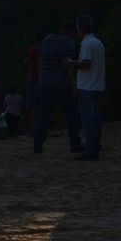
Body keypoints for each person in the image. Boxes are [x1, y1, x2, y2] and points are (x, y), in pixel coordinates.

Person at [32, 21, 84, 154]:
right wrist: (75, 85)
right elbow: (69, 66)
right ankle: (75, 144)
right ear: (73, 31)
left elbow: (40, 61)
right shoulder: (68, 42)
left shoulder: (47, 39)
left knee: (43, 115)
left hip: (45, 83)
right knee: (71, 115)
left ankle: (37, 144)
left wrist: (42, 78)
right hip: (62, 84)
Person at [68, 14, 105, 160]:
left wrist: (72, 63)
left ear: (79, 28)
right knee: (96, 120)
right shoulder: (98, 43)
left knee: (88, 121)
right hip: (98, 86)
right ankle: (96, 146)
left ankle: (91, 150)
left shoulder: (86, 44)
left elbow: (86, 63)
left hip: (87, 87)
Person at [24, 35, 42, 129]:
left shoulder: (34, 49)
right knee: (41, 103)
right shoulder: (45, 49)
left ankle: (34, 127)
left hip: (33, 77)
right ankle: (41, 126)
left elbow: (26, 61)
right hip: (43, 78)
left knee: (32, 104)